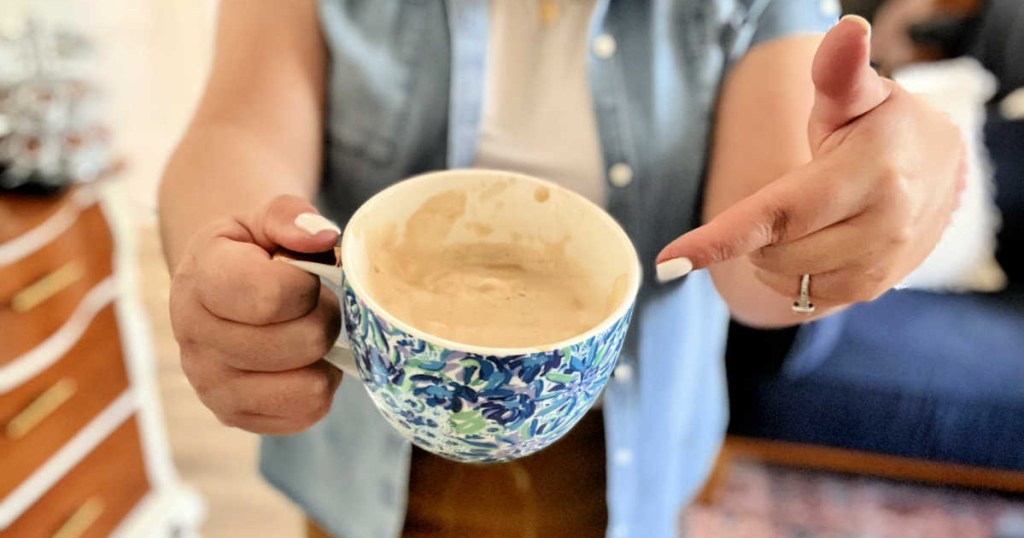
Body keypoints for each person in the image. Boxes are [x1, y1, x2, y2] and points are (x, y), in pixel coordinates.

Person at [158, 1, 964, 536]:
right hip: (356, 456)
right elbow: (239, 123)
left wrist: (849, 218)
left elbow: (759, 256)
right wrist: (228, 263)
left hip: (625, 466)